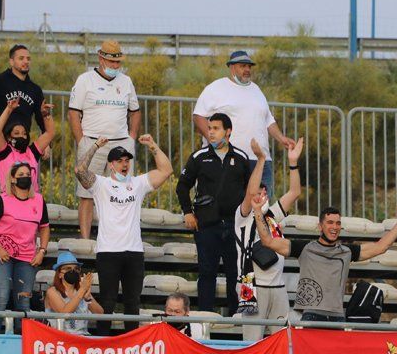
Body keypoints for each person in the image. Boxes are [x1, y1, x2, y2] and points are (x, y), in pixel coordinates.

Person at [74, 134, 173, 335]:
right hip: (108, 252)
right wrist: (95, 146)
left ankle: (132, 345)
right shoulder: (100, 184)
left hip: (134, 251)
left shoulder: (138, 183)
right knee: (108, 302)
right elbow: (80, 170)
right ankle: (102, 344)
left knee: (132, 302)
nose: (124, 164)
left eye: (127, 160)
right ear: (111, 164)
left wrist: (153, 145)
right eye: (119, 161)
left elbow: (166, 170)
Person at [256, 202, 397, 322]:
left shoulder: (347, 251)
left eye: (338, 223)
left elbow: (381, 247)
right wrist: (257, 212)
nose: (334, 227)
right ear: (320, 226)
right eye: (330, 222)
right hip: (311, 317)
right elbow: (268, 241)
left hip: (338, 318)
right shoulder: (304, 248)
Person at [176, 113, 258, 313]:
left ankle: (236, 321)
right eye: (209, 128)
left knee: (235, 274)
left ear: (228, 132)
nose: (210, 132)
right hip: (206, 226)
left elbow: (251, 189)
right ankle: (204, 319)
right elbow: (182, 186)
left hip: (234, 226)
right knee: (206, 274)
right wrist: (187, 212)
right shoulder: (199, 156)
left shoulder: (241, 158)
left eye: (215, 128)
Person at [193, 50, 295, 193]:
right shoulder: (216, 88)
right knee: (230, 206)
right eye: (242, 66)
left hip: (261, 159)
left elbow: (268, 120)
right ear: (232, 67)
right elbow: (198, 116)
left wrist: (281, 138)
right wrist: (215, 142)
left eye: (249, 66)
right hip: (230, 158)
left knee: (262, 209)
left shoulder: (256, 90)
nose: (247, 70)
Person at [68, 40, 140, 239]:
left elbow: (135, 111)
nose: (115, 67)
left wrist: (131, 139)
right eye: (111, 62)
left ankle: (115, 238)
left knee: (120, 194)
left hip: (120, 144)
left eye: (118, 63)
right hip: (92, 143)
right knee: (86, 194)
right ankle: (85, 240)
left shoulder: (126, 81)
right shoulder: (85, 80)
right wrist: (82, 141)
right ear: (101, 58)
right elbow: (73, 113)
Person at [235, 137, 304, 341]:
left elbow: (294, 192)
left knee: (282, 341)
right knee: (252, 342)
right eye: (258, 191)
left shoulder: (272, 215)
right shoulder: (243, 216)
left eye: (265, 191)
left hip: (278, 287)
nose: (261, 194)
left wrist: (293, 162)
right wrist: (262, 160)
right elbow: (250, 193)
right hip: (253, 286)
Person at [0, 44, 46, 230]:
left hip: (22, 146)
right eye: (21, 58)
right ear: (11, 61)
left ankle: (25, 229)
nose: (25, 61)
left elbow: (41, 118)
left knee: (27, 187)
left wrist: (46, 144)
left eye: (28, 58)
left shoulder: (34, 90)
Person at [0, 162, 51, 334]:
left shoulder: (39, 200)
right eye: (21, 175)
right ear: (12, 178)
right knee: (2, 297)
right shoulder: (3, 200)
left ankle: (21, 340)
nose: (25, 177)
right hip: (1, 256)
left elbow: (45, 227)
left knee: (23, 301)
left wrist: (42, 250)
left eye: (28, 174)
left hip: (27, 258)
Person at [0, 96, 55, 195]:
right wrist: (9, 109)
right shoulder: (4, 152)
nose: (21, 136)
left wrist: (45, 114)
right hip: (9, 199)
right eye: (16, 133)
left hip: (32, 199)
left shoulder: (32, 152)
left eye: (24, 133)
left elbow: (50, 133)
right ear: (9, 137)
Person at [44, 252, 102, 336]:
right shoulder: (52, 291)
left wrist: (88, 298)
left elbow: (100, 314)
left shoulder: (82, 290)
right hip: (60, 340)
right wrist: (82, 290)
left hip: (83, 338)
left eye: (76, 268)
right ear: (59, 274)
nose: (72, 271)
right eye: (67, 269)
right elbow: (64, 313)